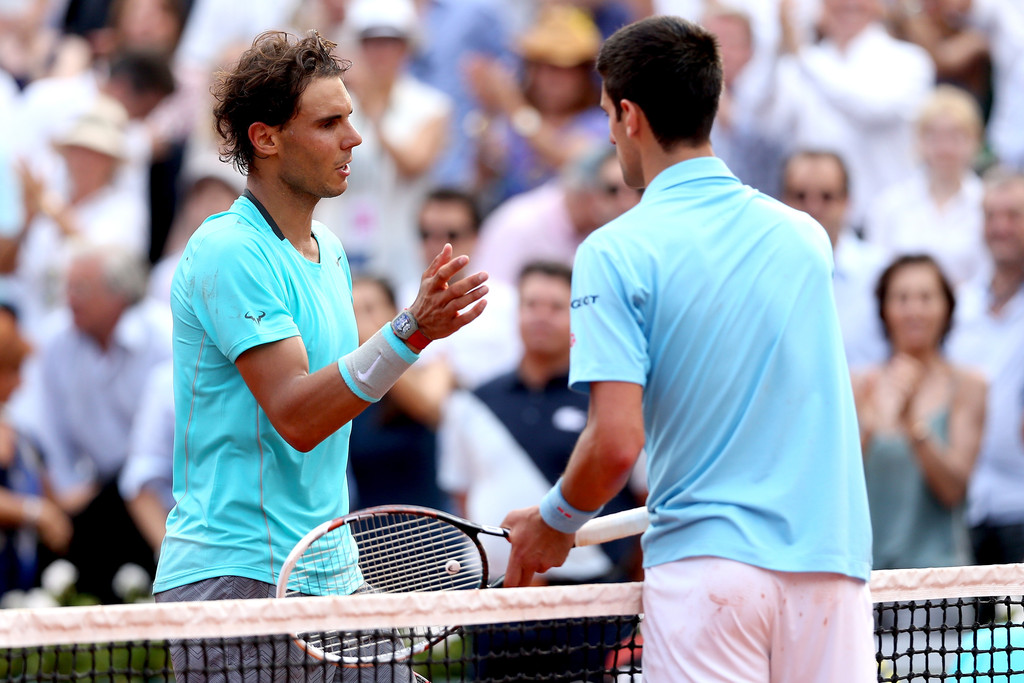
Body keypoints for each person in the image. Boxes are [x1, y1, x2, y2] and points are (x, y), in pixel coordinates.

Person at [500, 16, 875, 683]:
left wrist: (555, 520)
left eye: (608, 118)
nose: (611, 134)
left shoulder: (614, 251)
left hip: (707, 575)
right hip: (830, 566)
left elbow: (617, 443)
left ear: (629, 115)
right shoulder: (808, 238)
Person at [150, 31, 487, 682]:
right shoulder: (229, 249)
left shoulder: (330, 251)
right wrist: (410, 331)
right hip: (236, 583)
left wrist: (408, 334)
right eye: (329, 123)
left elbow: (332, 396)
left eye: (351, 120)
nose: (353, 139)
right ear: (266, 138)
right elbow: (299, 416)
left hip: (333, 578)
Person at [26, 243, 170, 603]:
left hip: (161, 496)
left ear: (118, 294)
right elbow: (51, 435)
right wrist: (66, 490)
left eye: (81, 289)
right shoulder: (56, 341)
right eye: (67, 287)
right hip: (94, 495)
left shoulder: (164, 336)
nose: (69, 299)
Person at [853, 255, 986, 569]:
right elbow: (838, 487)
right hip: (868, 578)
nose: (914, 311)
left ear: (946, 308)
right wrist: (869, 427)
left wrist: (913, 422)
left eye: (926, 298)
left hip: (941, 582)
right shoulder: (859, 385)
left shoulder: (969, 385)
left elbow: (954, 490)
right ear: (884, 309)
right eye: (901, 298)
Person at [947, 168, 1024, 570]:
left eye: (1013, 215)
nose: (1001, 227)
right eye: (992, 216)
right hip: (967, 510)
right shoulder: (959, 307)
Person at [864, 85, 987, 287]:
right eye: (934, 136)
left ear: (975, 141)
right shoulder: (889, 205)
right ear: (919, 141)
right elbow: (877, 274)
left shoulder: (988, 204)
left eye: (956, 136)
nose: (945, 147)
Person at [781, 149, 889, 371]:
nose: (813, 207)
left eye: (827, 196)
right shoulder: (764, 272)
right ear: (782, 199)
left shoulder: (880, 272)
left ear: (847, 201)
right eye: (800, 196)